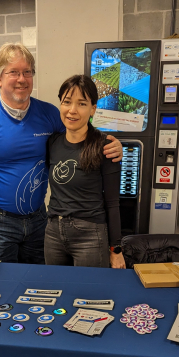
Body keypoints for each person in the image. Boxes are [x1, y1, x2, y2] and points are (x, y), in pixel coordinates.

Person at [0, 43, 123, 263]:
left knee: (37, 286)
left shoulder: (48, 113)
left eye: (27, 72)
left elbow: (78, 129)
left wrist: (110, 143)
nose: (22, 79)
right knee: (1, 284)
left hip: (40, 222)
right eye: (14, 72)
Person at [44, 75, 126, 269]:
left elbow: (113, 204)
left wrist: (116, 250)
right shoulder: (52, 143)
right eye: (67, 102)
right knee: (55, 292)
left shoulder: (105, 146)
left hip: (90, 235)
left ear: (93, 109)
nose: (72, 110)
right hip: (53, 233)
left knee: (88, 296)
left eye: (81, 104)